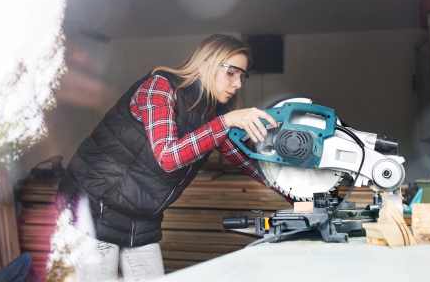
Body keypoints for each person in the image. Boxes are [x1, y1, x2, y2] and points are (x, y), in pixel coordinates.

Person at [55, 34, 291, 281]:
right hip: (95, 207)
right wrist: (226, 122)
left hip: (142, 220)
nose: (238, 84)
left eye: (242, 76)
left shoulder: (215, 116)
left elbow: (252, 165)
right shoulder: (160, 87)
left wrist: (301, 195)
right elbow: (168, 156)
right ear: (205, 64)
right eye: (231, 72)